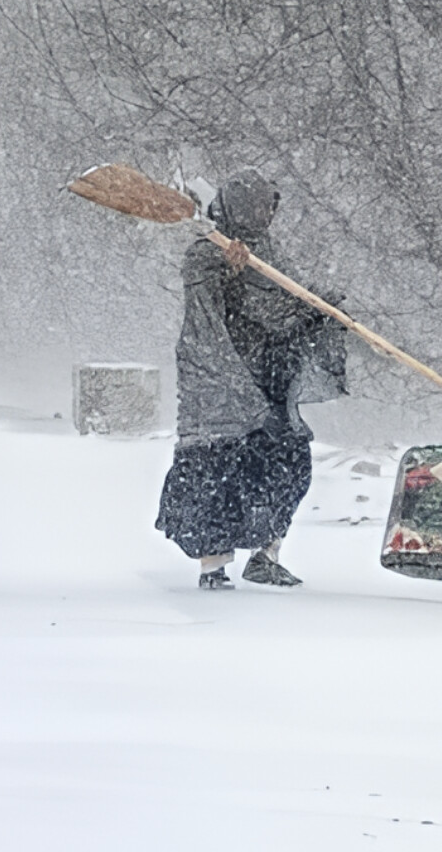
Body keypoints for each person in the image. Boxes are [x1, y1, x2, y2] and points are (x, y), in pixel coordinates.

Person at [157, 168, 347, 589]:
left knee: (288, 463)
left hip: (268, 377)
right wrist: (228, 272)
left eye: (268, 204)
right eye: (255, 205)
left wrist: (320, 311)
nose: (263, 212)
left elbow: (281, 309)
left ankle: (267, 554)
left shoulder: (270, 252)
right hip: (218, 382)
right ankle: (213, 567)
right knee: (215, 474)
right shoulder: (206, 252)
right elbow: (208, 315)